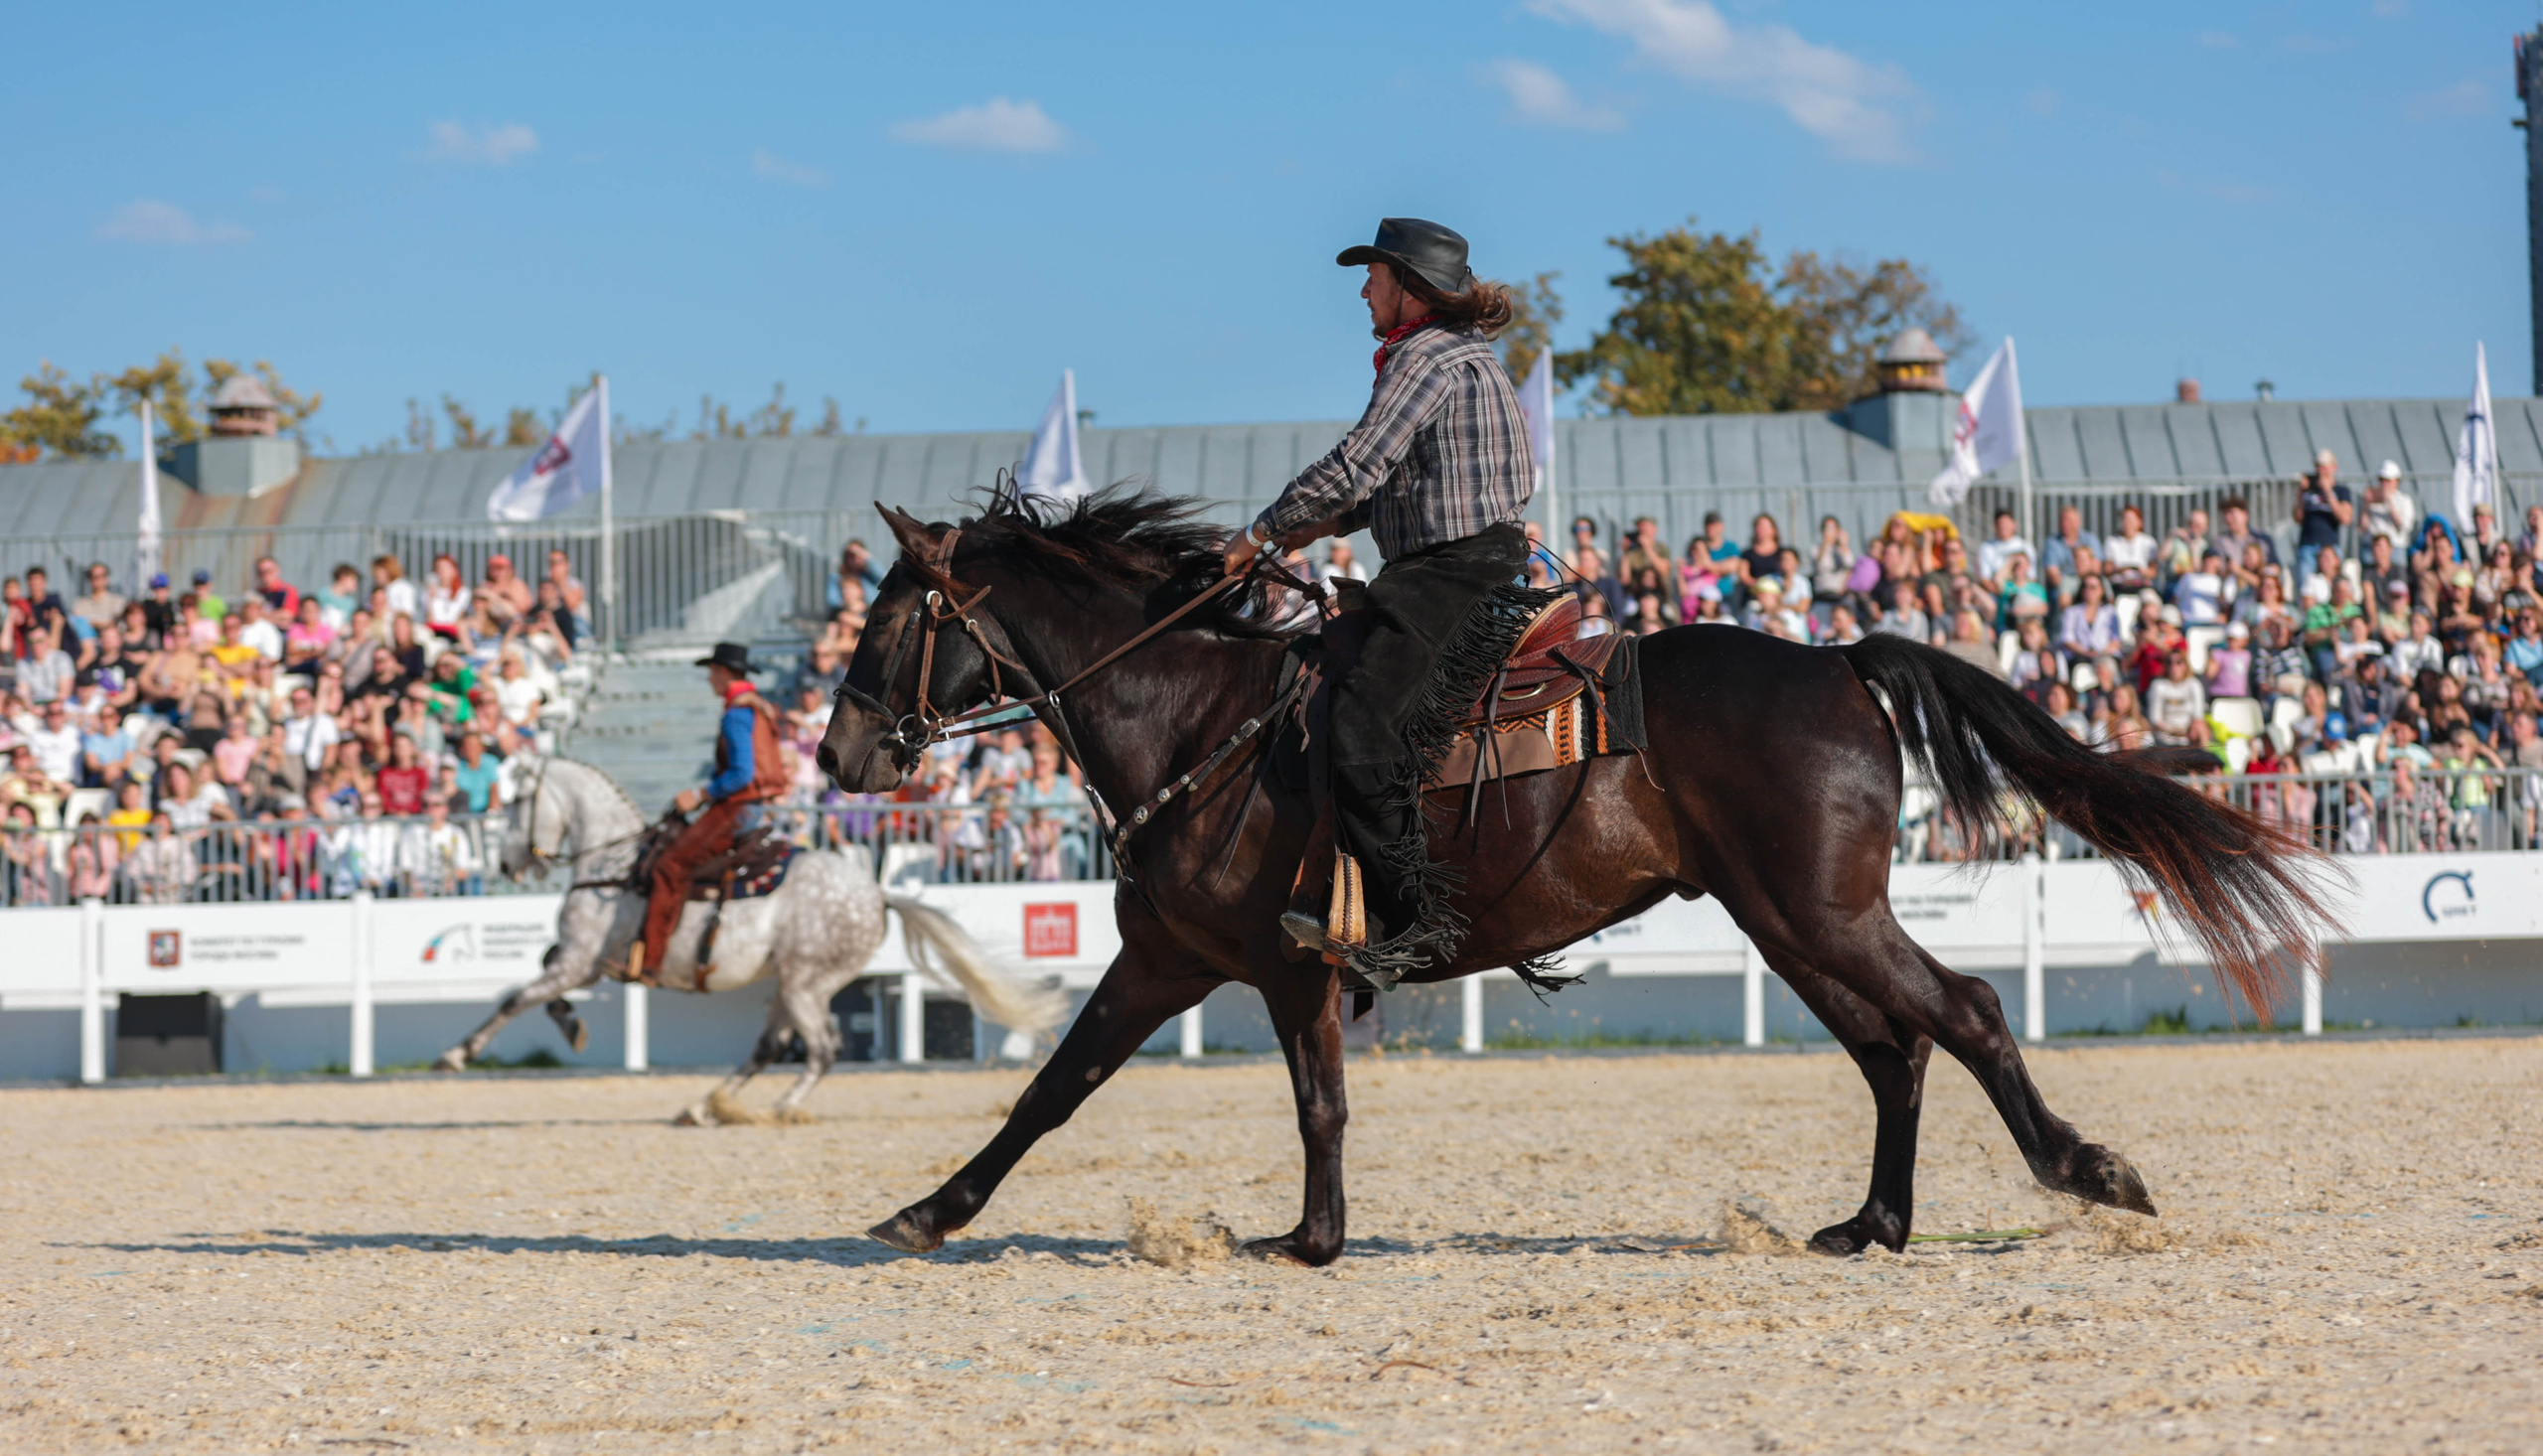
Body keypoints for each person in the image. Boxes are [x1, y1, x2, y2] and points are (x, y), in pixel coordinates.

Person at [1220, 218, 1534, 984]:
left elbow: (1358, 463)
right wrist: (1326, 524)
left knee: (1362, 723)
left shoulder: (1423, 357)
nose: (1364, 290)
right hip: (1470, 561)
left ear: (1410, 287)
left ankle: (1407, 923)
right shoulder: (1462, 353)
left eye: (1374, 276)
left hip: (1449, 572)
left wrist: (1260, 531)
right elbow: (1413, 480)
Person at [631, 642, 790, 983]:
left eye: (712, 672)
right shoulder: (756, 708)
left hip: (737, 807)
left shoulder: (736, 714)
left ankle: (651, 962)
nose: (708, 680)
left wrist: (700, 794)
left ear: (723, 672)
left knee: (669, 864)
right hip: (751, 806)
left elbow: (742, 774)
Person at [2294, 449, 2353, 555]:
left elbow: (2346, 518)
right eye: (2318, 467)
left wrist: (2328, 491)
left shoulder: (2341, 490)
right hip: (2307, 546)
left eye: (2324, 467)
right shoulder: (2308, 489)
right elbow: (2297, 518)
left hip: (2330, 547)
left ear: (2334, 467)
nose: (2320, 471)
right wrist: (2301, 493)